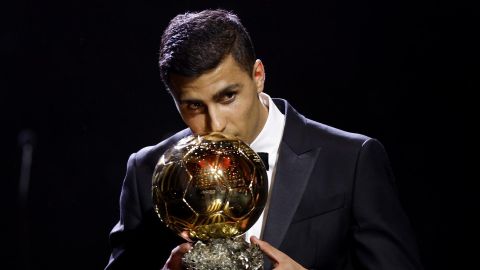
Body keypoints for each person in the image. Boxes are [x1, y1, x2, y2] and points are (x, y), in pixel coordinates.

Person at [105, 9, 423, 270]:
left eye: (228, 96)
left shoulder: (352, 159)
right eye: (194, 106)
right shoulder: (148, 169)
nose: (215, 124)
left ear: (258, 76)